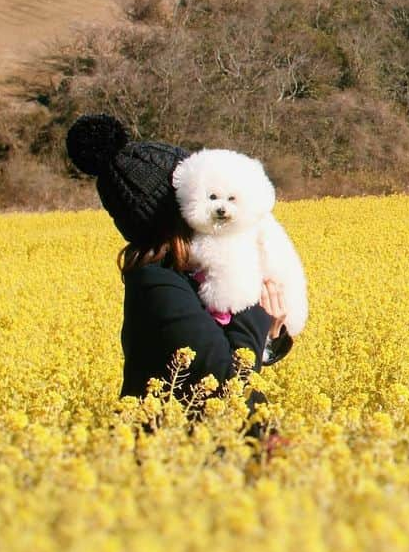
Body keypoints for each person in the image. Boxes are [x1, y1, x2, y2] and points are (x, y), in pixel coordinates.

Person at [65, 114, 291, 409]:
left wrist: (271, 337)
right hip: (186, 450)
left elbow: (243, 359)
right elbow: (226, 379)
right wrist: (257, 313)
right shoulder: (157, 282)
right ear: (178, 210)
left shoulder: (191, 270)